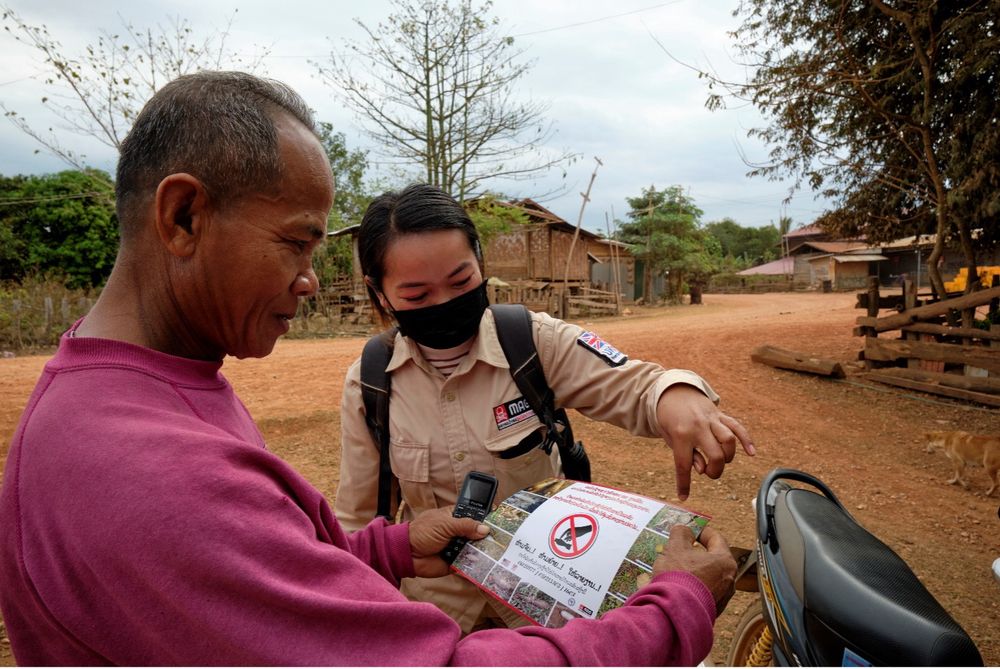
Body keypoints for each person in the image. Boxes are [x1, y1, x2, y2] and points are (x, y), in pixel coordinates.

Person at [0, 71, 737, 666]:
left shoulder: (158, 393)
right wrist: (675, 605)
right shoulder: (158, 474)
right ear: (185, 216)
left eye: (461, 279)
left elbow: (276, 559)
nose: (311, 279)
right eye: (296, 243)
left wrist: (380, 549)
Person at [336, 183, 754, 632]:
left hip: (546, 604)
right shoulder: (370, 382)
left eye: (461, 281)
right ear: (379, 293)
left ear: (481, 262)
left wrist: (677, 396)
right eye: (417, 296)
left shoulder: (532, 341)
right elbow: (357, 522)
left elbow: (636, 385)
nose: (444, 303)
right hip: (439, 616)